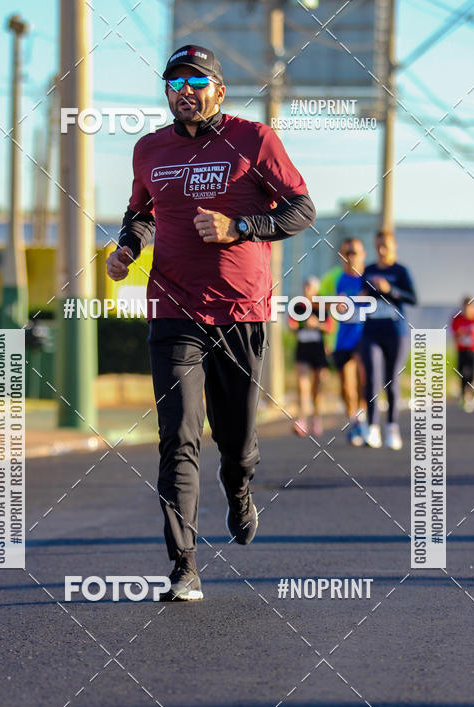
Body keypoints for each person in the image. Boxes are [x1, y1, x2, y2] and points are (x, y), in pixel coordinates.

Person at [106, 45, 315, 601]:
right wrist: (127, 247)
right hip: (173, 311)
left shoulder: (254, 140)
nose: (186, 90)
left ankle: (239, 486)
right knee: (177, 436)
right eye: (175, 81)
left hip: (240, 312)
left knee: (238, 442)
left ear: (219, 90)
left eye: (198, 81)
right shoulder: (149, 150)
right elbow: (142, 214)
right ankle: (184, 566)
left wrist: (239, 226)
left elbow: (300, 210)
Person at [361, 230, 417, 449]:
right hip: (371, 331)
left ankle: (392, 428)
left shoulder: (401, 271)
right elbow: (361, 295)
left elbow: (413, 298)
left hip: (396, 332)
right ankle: (372, 428)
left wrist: (390, 289)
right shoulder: (369, 270)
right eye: (378, 247)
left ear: (394, 246)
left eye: (385, 246)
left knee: (391, 380)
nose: (382, 251)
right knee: (372, 378)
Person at [331, 237, 367, 445]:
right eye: (347, 253)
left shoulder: (368, 278)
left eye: (354, 252)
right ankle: (354, 421)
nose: (350, 256)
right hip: (343, 338)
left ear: (363, 254)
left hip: (364, 337)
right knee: (346, 386)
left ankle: (362, 420)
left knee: (363, 378)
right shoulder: (338, 280)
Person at [289, 276, 332, 437]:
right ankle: (301, 420)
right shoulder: (297, 306)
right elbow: (292, 325)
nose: (307, 289)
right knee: (302, 385)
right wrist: (299, 324)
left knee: (316, 387)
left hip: (318, 349)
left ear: (316, 289)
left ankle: (316, 418)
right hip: (303, 348)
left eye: (310, 287)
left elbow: (329, 327)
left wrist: (316, 324)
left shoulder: (321, 307)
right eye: (305, 286)